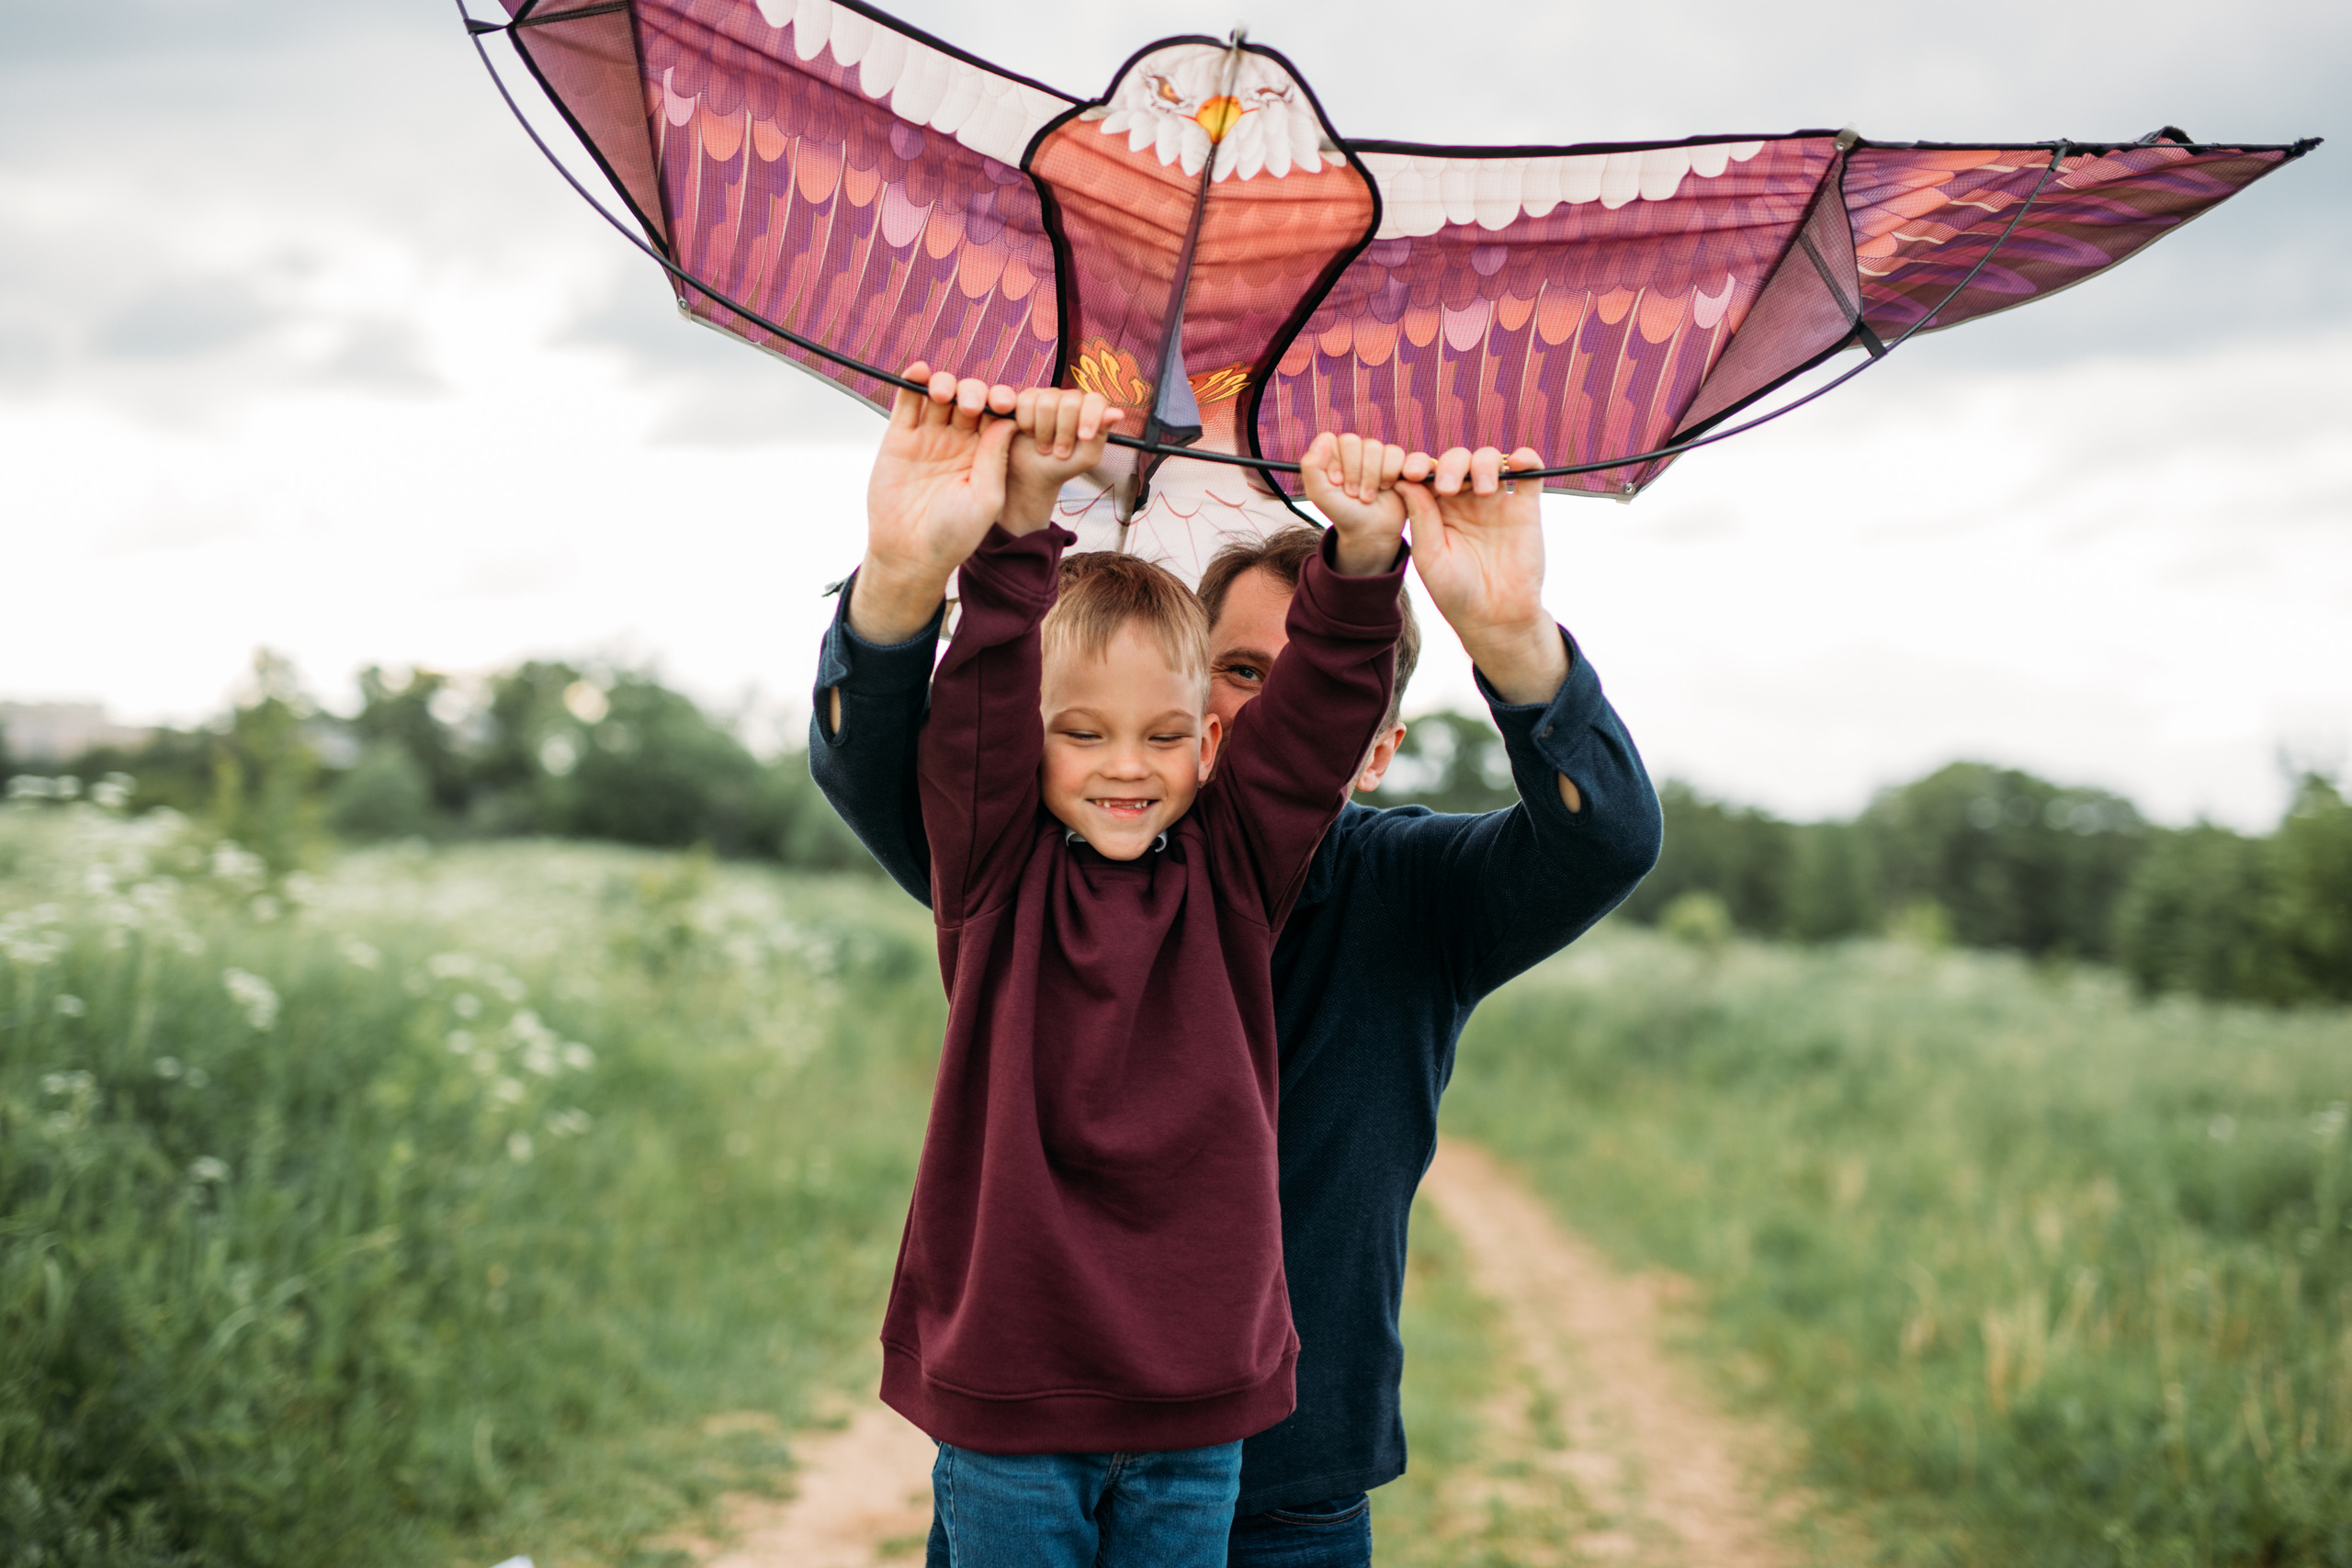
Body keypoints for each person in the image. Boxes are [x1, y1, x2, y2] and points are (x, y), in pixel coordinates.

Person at [815, 399, 1662, 1567]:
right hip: (1031, 1436)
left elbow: (1604, 839)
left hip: (1291, 1480)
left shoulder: (1416, 895)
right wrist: (913, 572)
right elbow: (875, 751)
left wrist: (1508, 634)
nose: (1252, 714)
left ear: (1373, 739)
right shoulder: (1025, 864)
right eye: (1230, 673)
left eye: (1296, 679)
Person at [848, 362, 1420, 1567]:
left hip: (1196, 1404)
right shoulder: (992, 874)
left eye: (1165, 733)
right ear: (1033, 742)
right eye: (1083, 730)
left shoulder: (1232, 872)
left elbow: (1315, 722)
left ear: (1211, 737)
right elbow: (982, 697)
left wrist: (1363, 557)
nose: (1127, 764)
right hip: (1013, 1392)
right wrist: (1020, 521)